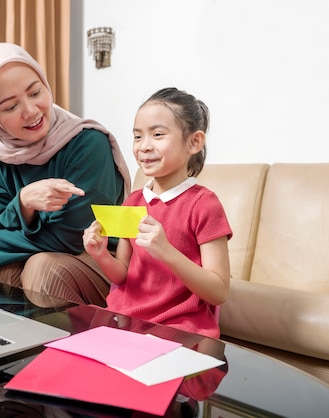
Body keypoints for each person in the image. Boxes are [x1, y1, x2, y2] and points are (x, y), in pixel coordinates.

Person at [0, 43, 131, 306]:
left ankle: (68, 347)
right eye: (10, 107)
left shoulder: (87, 143)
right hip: (48, 255)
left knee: (42, 269)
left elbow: (70, 237)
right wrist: (24, 202)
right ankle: (10, 346)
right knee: (1, 269)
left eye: (35, 92)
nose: (31, 111)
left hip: (104, 260)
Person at [82, 87, 232, 338]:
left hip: (179, 328)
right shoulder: (133, 201)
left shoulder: (204, 204)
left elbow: (219, 291)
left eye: (158, 134)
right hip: (124, 321)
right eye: (138, 137)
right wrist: (101, 256)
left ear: (194, 142)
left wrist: (167, 252)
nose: (144, 146)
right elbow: (124, 274)